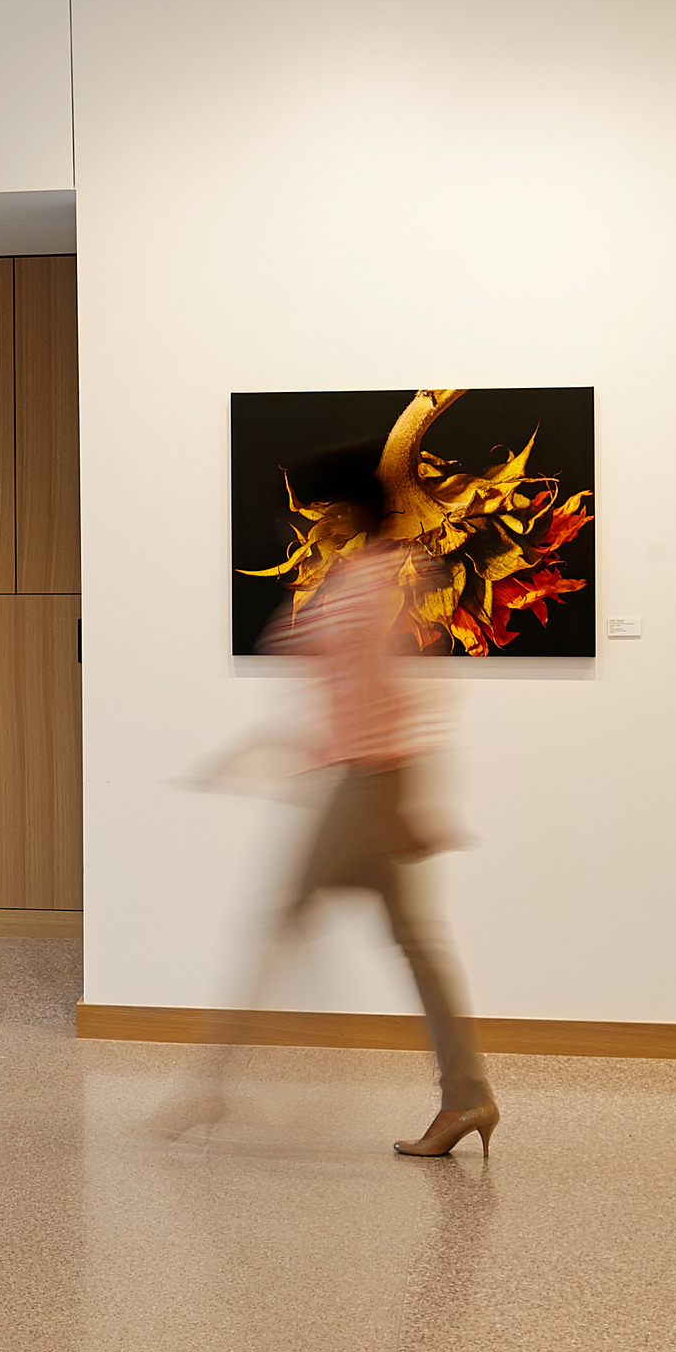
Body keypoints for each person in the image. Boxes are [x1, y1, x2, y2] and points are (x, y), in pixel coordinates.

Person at [260, 443, 501, 1159]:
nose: (302, 525)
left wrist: (403, 803)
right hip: (367, 778)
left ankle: (208, 1092)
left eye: (313, 511)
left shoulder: (367, 588)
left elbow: (388, 696)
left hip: (368, 783)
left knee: (283, 922)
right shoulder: (364, 580)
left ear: (341, 512)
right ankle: (468, 1096)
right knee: (415, 944)